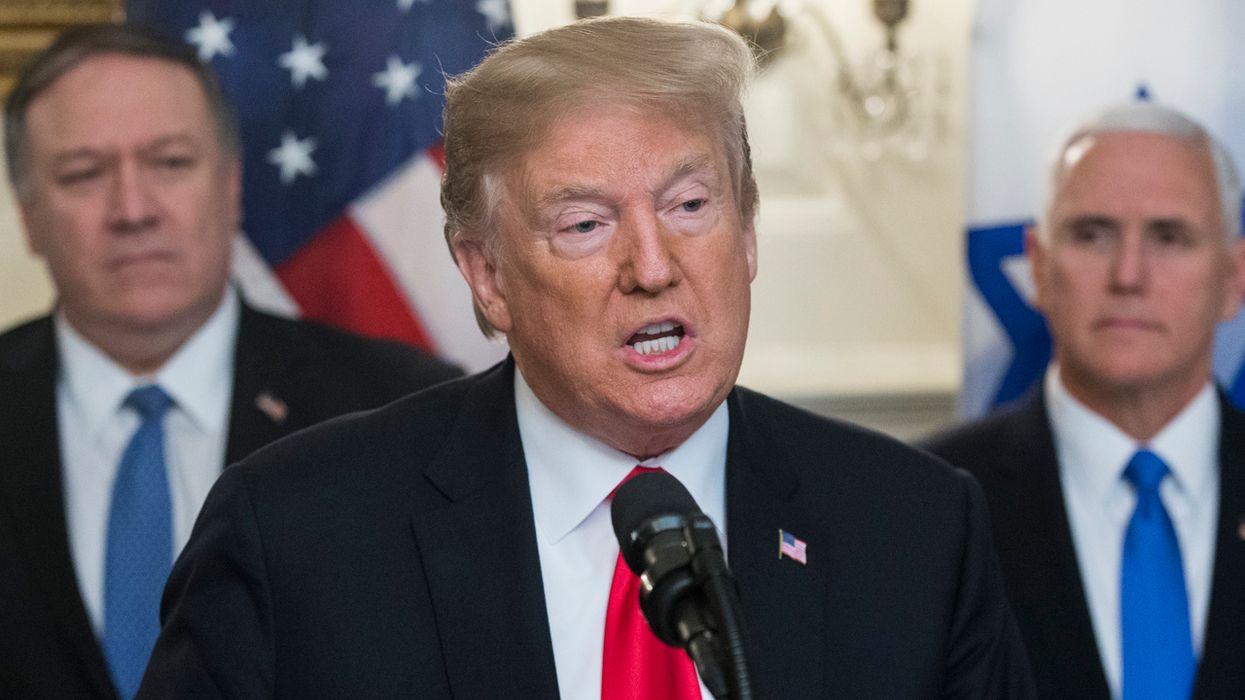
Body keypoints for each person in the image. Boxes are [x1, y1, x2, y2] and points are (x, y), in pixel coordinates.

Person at [140, 17, 1034, 698]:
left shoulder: (915, 531)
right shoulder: (297, 535)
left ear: (749, 233)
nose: (652, 268)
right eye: (585, 225)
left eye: (690, 206)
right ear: (487, 276)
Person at [0, 24, 462, 700]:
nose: (133, 210)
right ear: (28, 215)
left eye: (170, 163)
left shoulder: (402, 408)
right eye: (84, 174)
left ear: (231, 184)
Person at [924, 102, 1245, 699]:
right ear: (1040, 268)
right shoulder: (922, 502)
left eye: (1169, 237)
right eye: (1092, 234)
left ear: (1234, 278)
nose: (1129, 274)